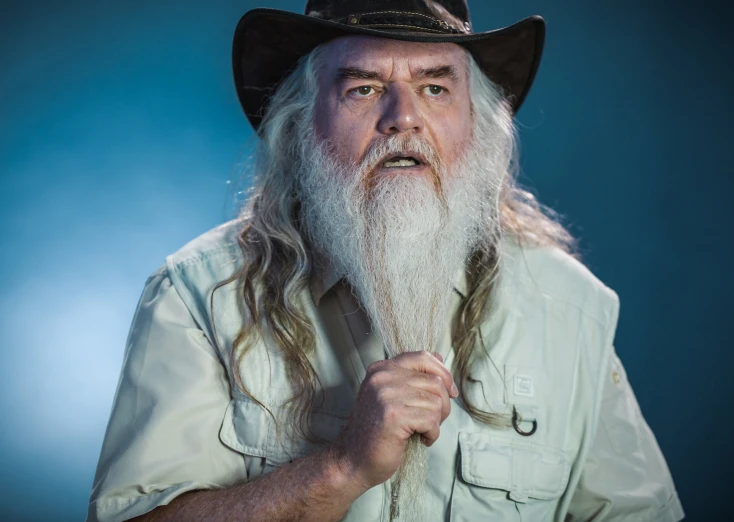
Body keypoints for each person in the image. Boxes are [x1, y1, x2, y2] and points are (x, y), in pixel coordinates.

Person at [87, 1, 685, 521]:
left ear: (477, 124)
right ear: (300, 128)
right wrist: (342, 468)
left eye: (434, 88)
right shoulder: (199, 297)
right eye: (363, 88)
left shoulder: (568, 307)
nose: (403, 116)